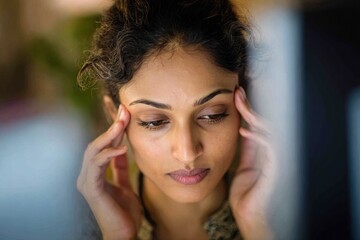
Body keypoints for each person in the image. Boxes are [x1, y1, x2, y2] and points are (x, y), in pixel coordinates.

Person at [76, 0, 276, 239]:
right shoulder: (65, 229)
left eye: (212, 115)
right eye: (154, 121)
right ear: (114, 113)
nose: (188, 152)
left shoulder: (303, 219)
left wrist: (257, 226)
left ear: (242, 104)